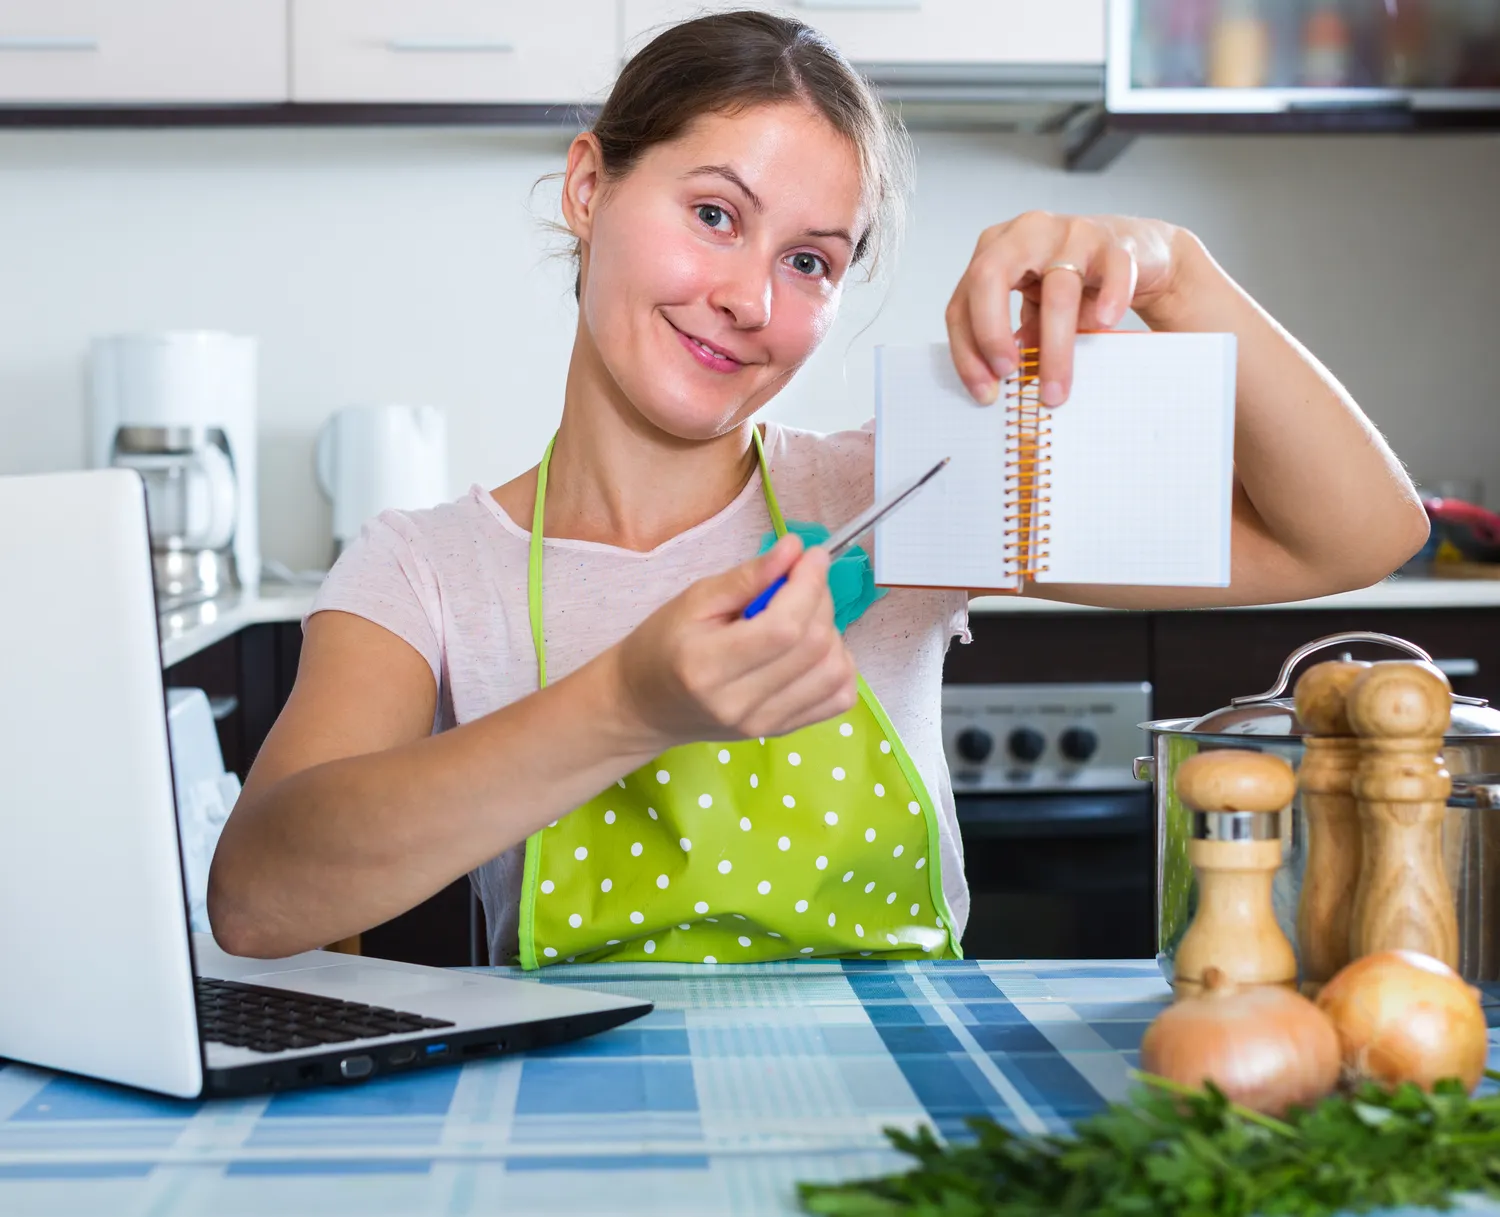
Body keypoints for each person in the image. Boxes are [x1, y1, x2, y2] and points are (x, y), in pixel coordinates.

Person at [208, 11, 1428, 966]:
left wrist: (1178, 269)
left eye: (808, 261)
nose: (750, 299)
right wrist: (626, 706)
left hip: (900, 1101)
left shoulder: (902, 488)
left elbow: (1358, 533)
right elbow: (259, 895)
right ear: (589, 188)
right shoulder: (425, 564)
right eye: (711, 214)